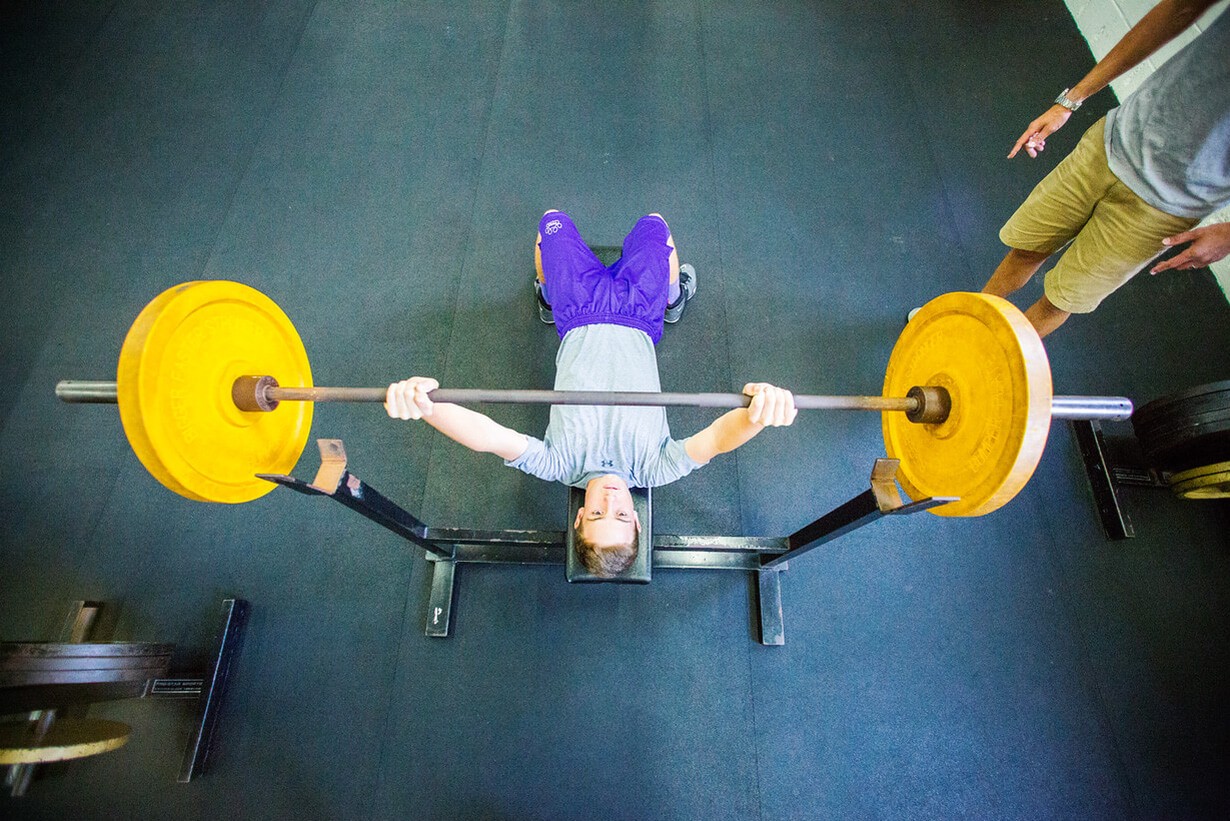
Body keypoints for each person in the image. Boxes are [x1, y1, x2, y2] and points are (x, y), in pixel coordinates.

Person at [385, 210, 798, 576]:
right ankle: (673, 299)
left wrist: (427, 406)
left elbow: (487, 437)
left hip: (578, 312)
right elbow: (716, 442)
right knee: (656, 225)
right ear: (637, 520)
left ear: (580, 516)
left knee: (551, 224)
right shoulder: (654, 469)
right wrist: (758, 416)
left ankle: (547, 299)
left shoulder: (559, 464)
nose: (611, 500)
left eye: (598, 513)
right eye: (620, 515)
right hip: (638, 314)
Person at [984, 0, 1230, 338]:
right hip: (1115, 140)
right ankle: (964, 322)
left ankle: (984, 360)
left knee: (1060, 301)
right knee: (1026, 249)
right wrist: (1071, 100)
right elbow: (1180, 8)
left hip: (1171, 205)